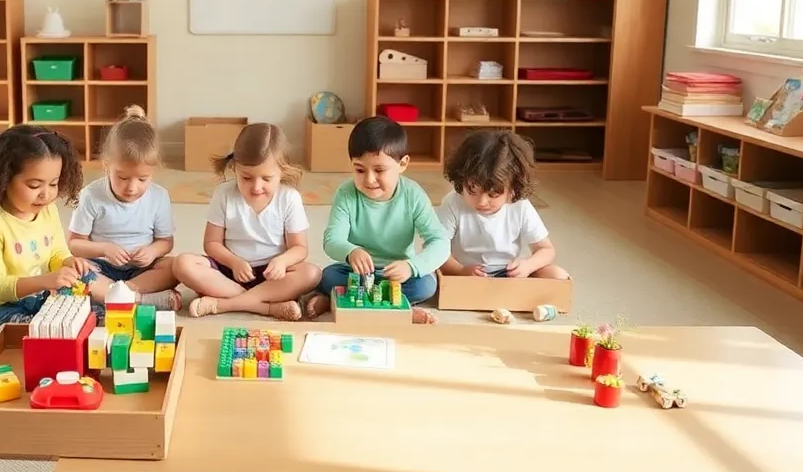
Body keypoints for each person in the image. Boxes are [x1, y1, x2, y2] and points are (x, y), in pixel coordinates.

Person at [172, 122, 321, 320]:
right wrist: (234, 262)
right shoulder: (224, 194)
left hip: (272, 276)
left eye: (266, 179)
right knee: (182, 263)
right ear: (234, 167)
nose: (256, 187)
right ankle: (267, 308)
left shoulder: (289, 198)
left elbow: (300, 248)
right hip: (228, 273)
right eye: (246, 178)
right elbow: (212, 243)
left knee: (312, 273)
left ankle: (224, 305)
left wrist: (281, 261)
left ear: (282, 172)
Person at [308, 116, 447, 322]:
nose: (369, 179)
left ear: (402, 164)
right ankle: (397, 308)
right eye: (359, 170)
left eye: (379, 170)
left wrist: (412, 266)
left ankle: (343, 301)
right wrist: (350, 251)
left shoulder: (413, 195)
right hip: (356, 272)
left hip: (397, 274)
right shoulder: (346, 193)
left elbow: (440, 241)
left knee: (426, 285)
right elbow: (332, 239)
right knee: (327, 276)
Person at [0, 125, 93, 342]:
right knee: (42, 337)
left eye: (53, 184)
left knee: (86, 315)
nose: (46, 194)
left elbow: (56, 252)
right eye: (34, 185)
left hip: (39, 296)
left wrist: (68, 261)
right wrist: (45, 281)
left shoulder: (48, 210)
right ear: (4, 179)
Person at [66, 105, 180, 310]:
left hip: (142, 270)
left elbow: (165, 242)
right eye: (122, 177)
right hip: (102, 267)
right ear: (106, 165)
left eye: (142, 179)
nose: (132, 187)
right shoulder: (90, 195)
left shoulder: (159, 196)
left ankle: (117, 294)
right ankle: (140, 299)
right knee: (74, 271)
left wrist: (152, 251)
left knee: (176, 267)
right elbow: (74, 244)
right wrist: (104, 249)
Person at [436, 129, 568, 279]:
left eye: (493, 194)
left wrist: (527, 265)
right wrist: (460, 270)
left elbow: (546, 249)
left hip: (508, 274)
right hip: (464, 274)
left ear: (513, 189)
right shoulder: (453, 203)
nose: (482, 201)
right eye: (472, 190)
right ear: (461, 180)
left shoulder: (520, 206)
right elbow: (436, 249)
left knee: (557, 275)